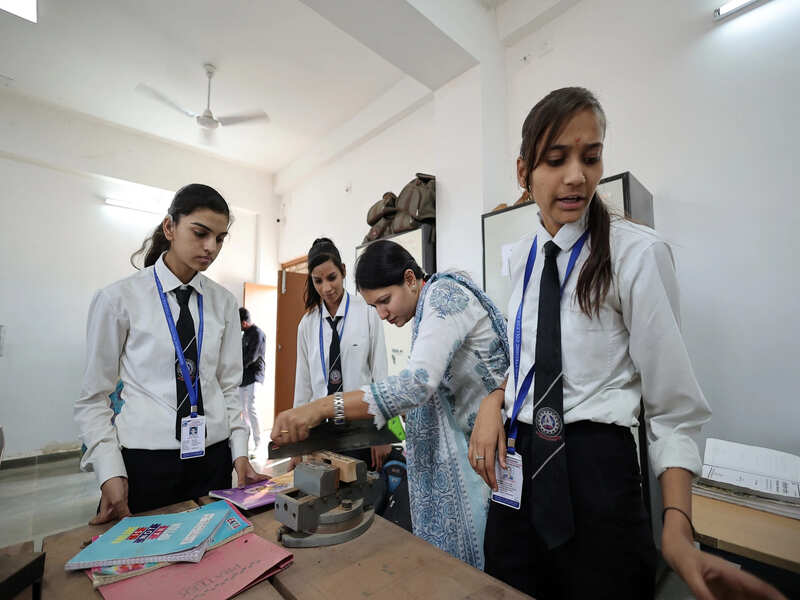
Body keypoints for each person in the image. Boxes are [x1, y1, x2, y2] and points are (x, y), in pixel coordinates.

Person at [469, 87, 784, 599]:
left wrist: (677, 528)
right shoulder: (520, 257)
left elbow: (672, 409)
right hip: (519, 465)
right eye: (557, 159)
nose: (577, 175)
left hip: (597, 472)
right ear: (523, 171)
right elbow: (533, 358)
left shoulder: (636, 255)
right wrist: (494, 401)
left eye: (591, 157)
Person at [272, 240, 510, 570]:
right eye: (375, 306)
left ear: (410, 279)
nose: (382, 315)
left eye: (385, 301)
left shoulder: (443, 296)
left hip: (484, 449)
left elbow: (416, 383)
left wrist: (324, 407)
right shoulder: (422, 310)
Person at [75, 183, 266, 525]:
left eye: (220, 238)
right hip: (147, 462)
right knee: (147, 554)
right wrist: (109, 469)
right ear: (169, 227)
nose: (211, 247)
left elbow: (228, 388)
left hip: (213, 458)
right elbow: (94, 398)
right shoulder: (119, 299)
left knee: (216, 548)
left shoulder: (223, 302)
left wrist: (240, 453)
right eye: (200, 233)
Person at [291, 237, 391, 470]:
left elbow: (381, 376)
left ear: (343, 271)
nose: (326, 288)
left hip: (361, 430)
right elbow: (303, 387)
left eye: (332, 277)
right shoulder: (307, 324)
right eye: (318, 281)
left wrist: (384, 433)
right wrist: (297, 445)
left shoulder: (368, 312)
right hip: (320, 433)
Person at [239, 307, 266, 455]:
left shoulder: (257, 333)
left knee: (251, 407)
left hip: (255, 376)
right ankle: (247, 442)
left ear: (244, 322)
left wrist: (238, 365)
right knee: (243, 410)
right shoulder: (245, 335)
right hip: (244, 377)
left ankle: (259, 443)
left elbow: (253, 356)